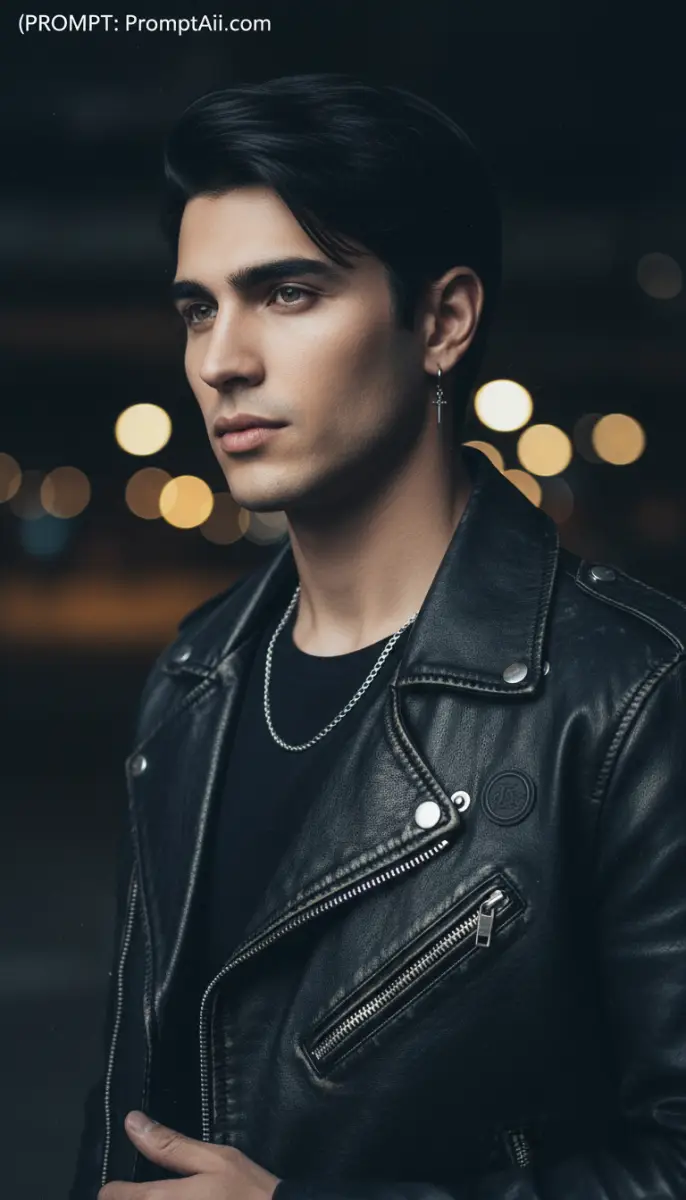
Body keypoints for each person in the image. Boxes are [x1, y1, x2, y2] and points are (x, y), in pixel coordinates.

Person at [71, 73, 686, 1200]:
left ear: (442, 322)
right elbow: (135, 1107)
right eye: (198, 308)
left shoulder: (632, 697)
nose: (220, 360)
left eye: (287, 293)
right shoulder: (196, 676)